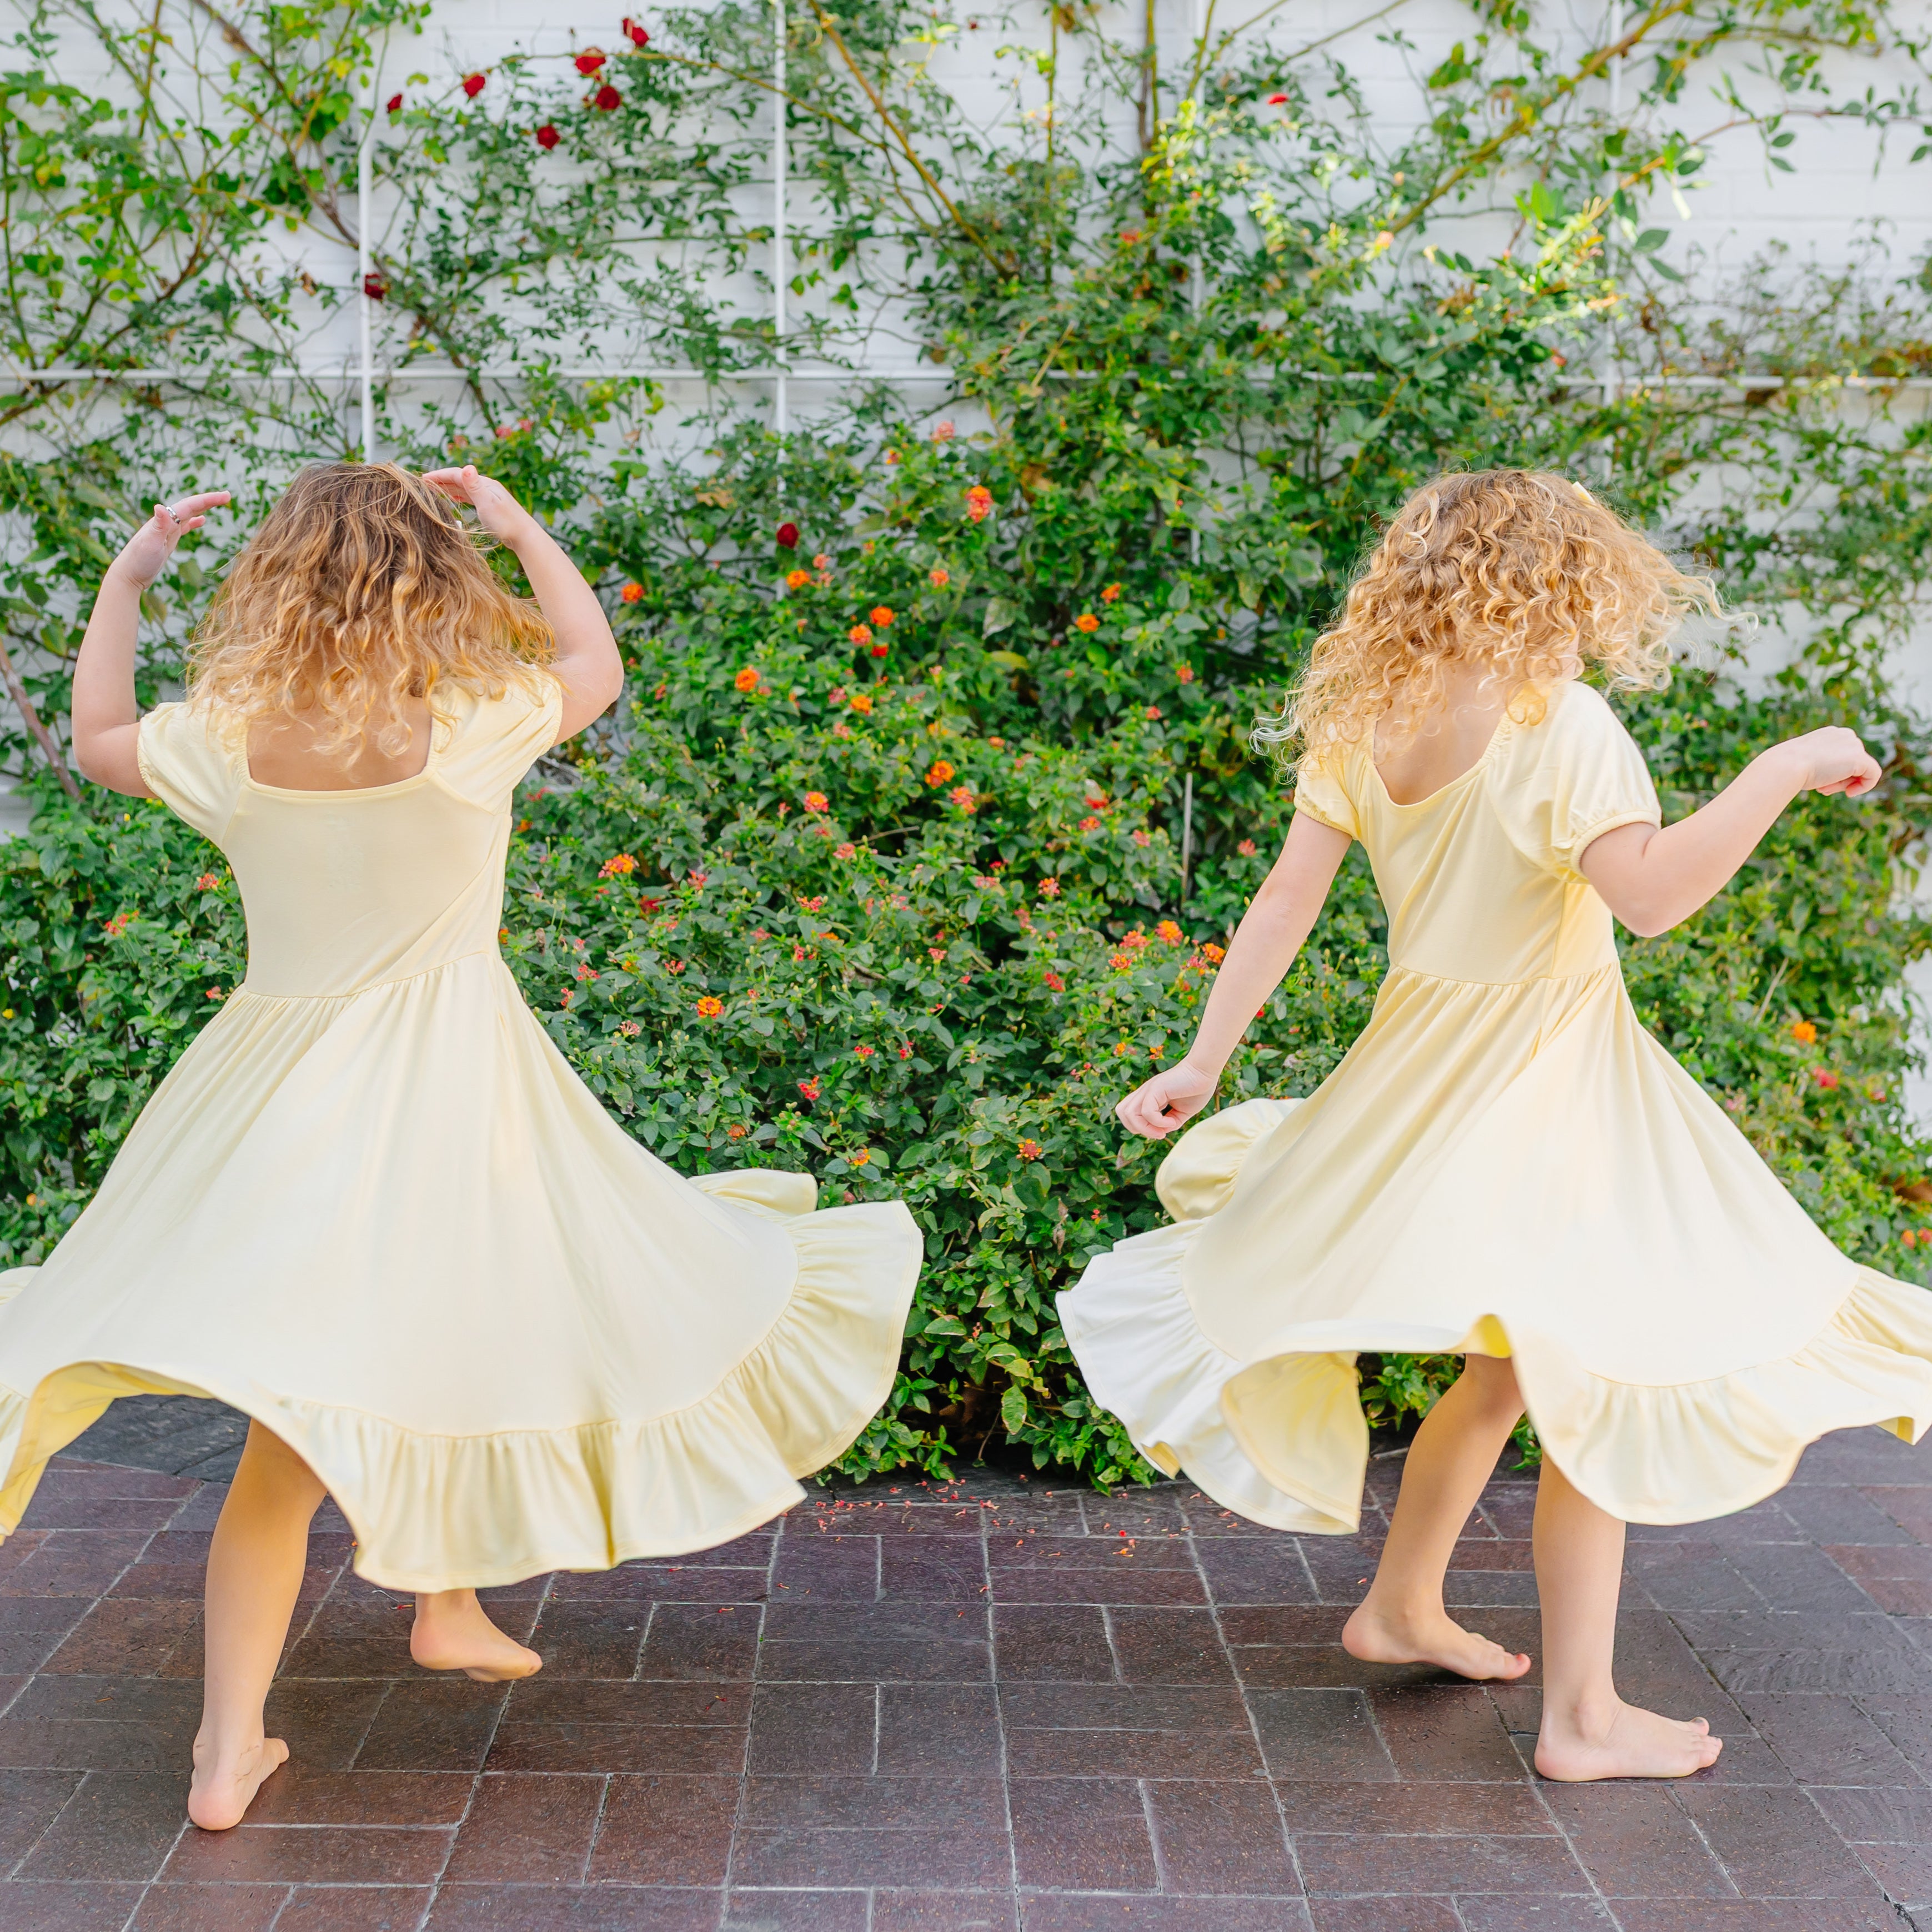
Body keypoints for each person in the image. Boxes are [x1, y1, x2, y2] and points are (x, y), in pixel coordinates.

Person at [0, 464, 919, 1830]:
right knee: (332, 1411)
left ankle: (417, 1621)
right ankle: (227, 1747)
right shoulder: (474, 719)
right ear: (430, 580)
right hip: (451, 1094)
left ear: (276, 584)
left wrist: (130, 578)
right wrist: (523, 524)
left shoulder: (230, 737)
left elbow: (96, 737)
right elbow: (593, 661)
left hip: (274, 1106)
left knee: (414, 1356)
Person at [1060, 468, 1932, 1782]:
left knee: (1517, 1365)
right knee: (1598, 1357)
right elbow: (1650, 899)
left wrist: (1205, 1055)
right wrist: (1786, 766)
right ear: (1565, 579)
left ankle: (1403, 1604)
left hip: (1422, 1082)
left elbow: (1286, 905)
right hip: (1547, 1086)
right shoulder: (1564, 728)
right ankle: (1582, 1716)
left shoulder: (1372, 716)